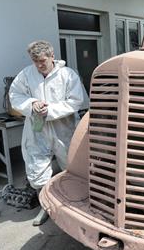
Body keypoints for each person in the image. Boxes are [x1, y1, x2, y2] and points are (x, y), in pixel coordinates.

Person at [10, 40, 88, 226]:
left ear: (52, 56)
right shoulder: (26, 74)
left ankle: (73, 204)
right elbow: (15, 95)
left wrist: (51, 110)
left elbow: (77, 101)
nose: (38, 65)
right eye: (34, 60)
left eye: (42, 61)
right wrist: (31, 104)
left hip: (64, 129)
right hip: (37, 130)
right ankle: (45, 207)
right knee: (37, 168)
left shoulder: (67, 75)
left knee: (71, 166)